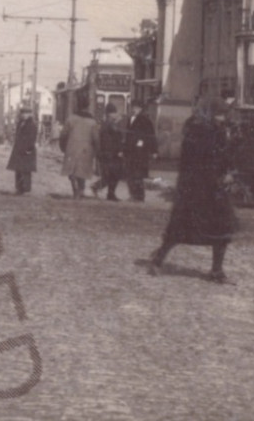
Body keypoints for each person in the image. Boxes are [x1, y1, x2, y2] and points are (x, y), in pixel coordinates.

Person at [148, 96, 240, 284]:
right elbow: (202, 160)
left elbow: (223, 157)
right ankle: (158, 260)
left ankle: (216, 270)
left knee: (222, 229)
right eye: (219, 115)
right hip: (196, 187)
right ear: (210, 114)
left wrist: (230, 160)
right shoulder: (197, 131)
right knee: (180, 228)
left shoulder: (218, 130)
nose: (222, 118)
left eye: (224, 115)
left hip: (215, 187)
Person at [59, 104, 97, 199]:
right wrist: (96, 150)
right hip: (86, 150)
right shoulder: (92, 122)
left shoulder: (70, 119)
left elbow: (63, 134)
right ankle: (81, 190)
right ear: (87, 108)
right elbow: (96, 138)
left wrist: (63, 147)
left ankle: (75, 189)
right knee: (82, 170)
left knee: (72, 170)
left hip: (72, 148)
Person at [125, 100, 158, 202]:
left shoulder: (145, 120)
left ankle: (138, 195)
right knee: (132, 174)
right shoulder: (131, 119)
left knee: (138, 174)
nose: (133, 109)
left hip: (140, 152)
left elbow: (151, 136)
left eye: (135, 107)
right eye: (133, 107)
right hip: (131, 151)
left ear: (140, 109)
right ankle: (134, 195)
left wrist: (154, 151)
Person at [94, 103, 126, 201]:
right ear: (110, 114)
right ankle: (107, 192)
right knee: (114, 174)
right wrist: (120, 121)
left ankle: (107, 192)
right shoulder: (110, 123)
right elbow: (118, 134)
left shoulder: (105, 123)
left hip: (108, 152)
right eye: (114, 112)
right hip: (111, 153)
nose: (116, 114)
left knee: (111, 174)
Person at [7, 104, 38, 195]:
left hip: (27, 149)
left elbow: (32, 138)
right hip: (19, 149)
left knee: (25, 170)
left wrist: (29, 149)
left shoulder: (32, 124)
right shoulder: (20, 123)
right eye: (23, 113)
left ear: (30, 114)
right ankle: (19, 188)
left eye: (27, 113)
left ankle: (25, 188)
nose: (24, 115)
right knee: (18, 169)